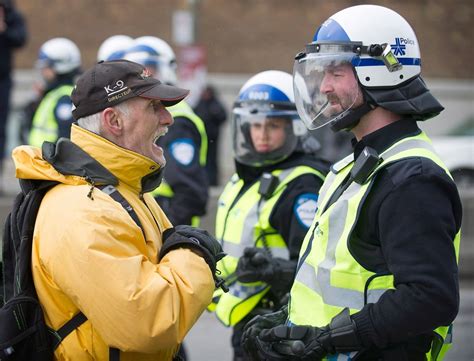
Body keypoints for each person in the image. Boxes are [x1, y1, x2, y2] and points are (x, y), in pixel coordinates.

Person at [242, 5, 462, 361]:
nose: (325, 87)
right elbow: (339, 278)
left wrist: (330, 339)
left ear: (383, 69)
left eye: (336, 72)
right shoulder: (355, 165)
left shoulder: (412, 177)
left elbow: (430, 297)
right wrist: (290, 319)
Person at [12, 59, 225, 360]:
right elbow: (149, 324)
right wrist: (193, 254)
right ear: (114, 121)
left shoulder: (122, 190)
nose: (168, 119)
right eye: (154, 107)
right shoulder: (82, 211)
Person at [212, 70, 329, 361]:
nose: (262, 134)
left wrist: (276, 271)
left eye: (273, 126)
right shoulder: (247, 177)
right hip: (247, 317)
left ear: (294, 128)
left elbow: (316, 267)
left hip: (278, 321)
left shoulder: (303, 184)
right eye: (255, 125)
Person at [125, 36, 209, 226]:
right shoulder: (140, 114)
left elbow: (191, 194)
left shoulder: (177, 121)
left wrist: (166, 234)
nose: (142, 77)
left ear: (167, 69)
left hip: (166, 232)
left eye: (149, 69)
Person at [27, 37, 81, 147]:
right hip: (41, 161)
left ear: (60, 66)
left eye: (47, 67)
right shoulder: (54, 94)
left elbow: (65, 137)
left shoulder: (65, 98)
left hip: (49, 162)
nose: (43, 71)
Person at [0, 0, 26, 186]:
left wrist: (4, 30)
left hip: (2, 80)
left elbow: (20, 38)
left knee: (1, 128)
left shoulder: (11, 15)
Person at [193, 84, 227, 186]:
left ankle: (213, 181)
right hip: (201, 137)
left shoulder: (215, 104)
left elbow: (223, 116)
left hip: (213, 138)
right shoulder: (200, 103)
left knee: (212, 160)